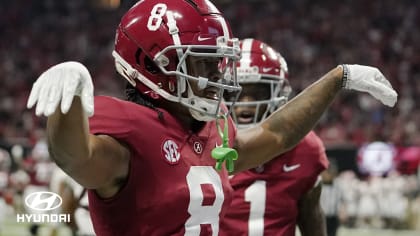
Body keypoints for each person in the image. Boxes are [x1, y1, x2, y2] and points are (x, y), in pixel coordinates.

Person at [26, 0, 397, 235]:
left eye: (218, 64)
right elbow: (75, 157)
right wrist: (67, 106)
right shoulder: (128, 137)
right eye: (202, 63)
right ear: (155, 65)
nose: (217, 77)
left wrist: (337, 79)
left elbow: (276, 135)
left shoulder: (210, 130)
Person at [219, 38, 328, 236]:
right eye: (236, 93)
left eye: (258, 92)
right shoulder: (206, 139)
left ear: (280, 93)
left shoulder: (305, 147)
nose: (246, 106)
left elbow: (311, 216)